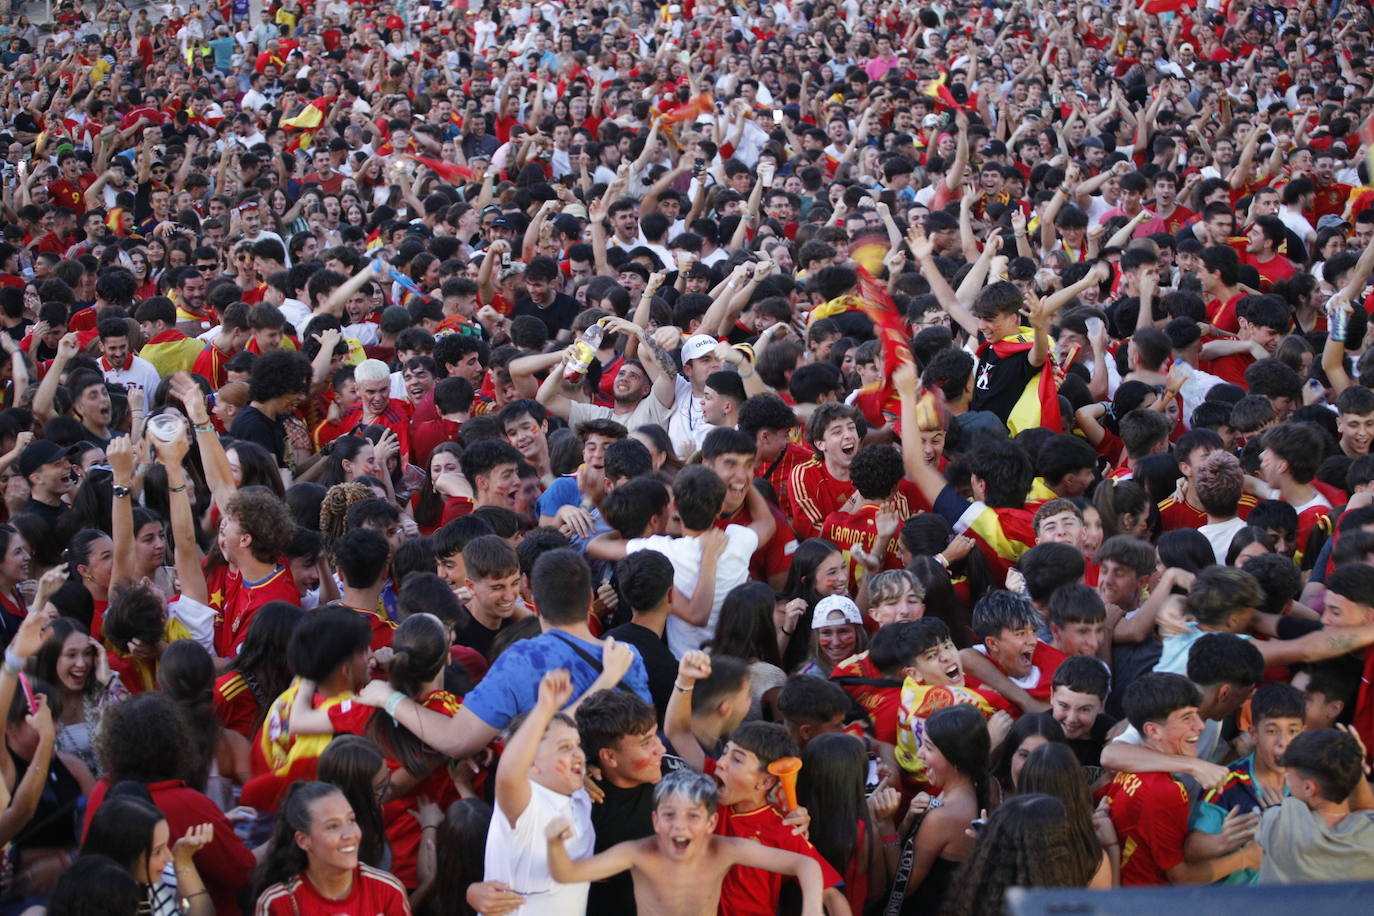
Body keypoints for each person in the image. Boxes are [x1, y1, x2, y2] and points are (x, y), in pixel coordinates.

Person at [545, 768, 829, 916]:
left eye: (693, 816)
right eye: (669, 815)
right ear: (655, 820)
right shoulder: (638, 853)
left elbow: (805, 864)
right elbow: (567, 873)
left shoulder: (725, 849)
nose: (679, 825)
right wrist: (555, 845)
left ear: (711, 823)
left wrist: (813, 908)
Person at [1105, 673, 1260, 885]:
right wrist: (1246, 858)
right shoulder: (1166, 792)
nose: (1200, 726)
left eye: (1196, 715)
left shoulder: (1130, 769)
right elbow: (1183, 877)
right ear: (1153, 731)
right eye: (1187, 718)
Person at [254, 781, 411, 915]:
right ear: (303, 840)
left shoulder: (387, 891)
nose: (349, 834)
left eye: (351, 820)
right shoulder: (279, 903)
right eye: (332, 826)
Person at [1257, 727, 1374, 883]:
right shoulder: (1368, 833)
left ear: (1308, 788)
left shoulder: (1278, 822)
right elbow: (1367, 810)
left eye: (1289, 775)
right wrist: (1352, 766)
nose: (1285, 779)